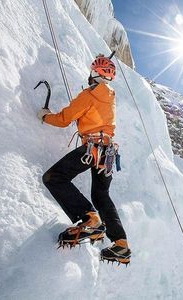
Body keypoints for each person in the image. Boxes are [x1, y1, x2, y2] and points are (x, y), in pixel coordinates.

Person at [38, 54, 131, 264]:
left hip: (92, 148)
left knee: (54, 178)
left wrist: (45, 115)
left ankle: (90, 220)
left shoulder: (89, 95)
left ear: (94, 73)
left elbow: (63, 120)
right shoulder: (110, 96)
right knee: (101, 196)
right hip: (107, 152)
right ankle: (121, 244)